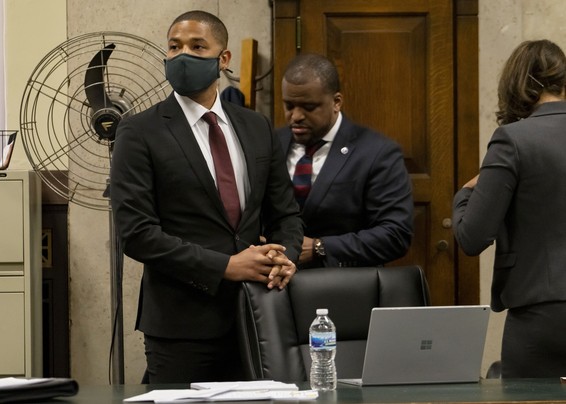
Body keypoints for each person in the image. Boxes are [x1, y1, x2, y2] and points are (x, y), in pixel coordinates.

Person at [109, 10, 303, 383]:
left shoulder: (256, 126)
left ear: (223, 58)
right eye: (174, 46)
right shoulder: (138, 132)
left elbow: (286, 215)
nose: (184, 55)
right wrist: (225, 266)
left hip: (259, 313)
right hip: (181, 323)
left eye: (198, 46)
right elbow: (136, 233)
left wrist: (287, 258)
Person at [452, 39, 566, 378]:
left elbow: (472, 238)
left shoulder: (512, 139)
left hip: (539, 313)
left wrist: (464, 194)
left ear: (515, 85)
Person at [276, 53, 413, 268]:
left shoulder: (377, 152)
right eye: (289, 105)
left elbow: (395, 234)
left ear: (336, 102)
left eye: (308, 107)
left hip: (346, 288)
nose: (295, 116)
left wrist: (320, 248)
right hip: (274, 289)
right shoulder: (271, 143)